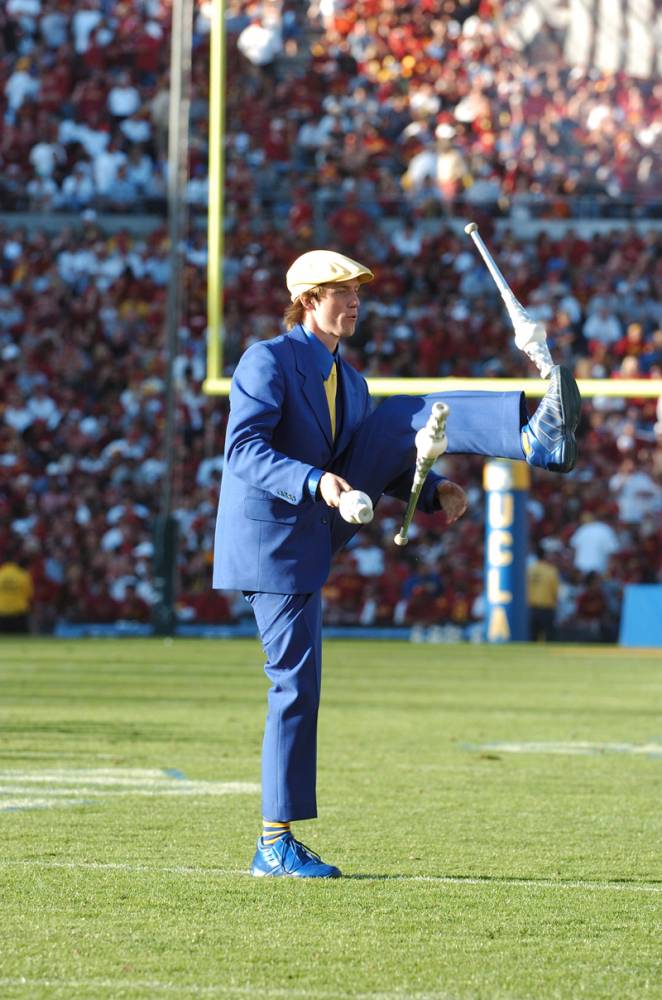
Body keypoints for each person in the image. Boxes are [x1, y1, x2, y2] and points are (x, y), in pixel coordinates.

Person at [213, 249, 581, 878]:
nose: (355, 300)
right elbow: (243, 450)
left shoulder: (350, 381)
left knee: (404, 415)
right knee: (295, 686)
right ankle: (274, 842)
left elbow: (377, 456)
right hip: (274, 539)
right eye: (341, 290)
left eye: (358, 290)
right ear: (307, 300)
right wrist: (316, 483)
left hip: (320, 518)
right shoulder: (267, 360)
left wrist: (433, 490)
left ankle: (531, 438)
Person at [527, 544, 560, 641]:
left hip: (532, 607)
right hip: (547, 607)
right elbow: (555, 591)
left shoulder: (529, 570)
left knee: (532, 637)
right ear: (545, 556)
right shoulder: (551, 571)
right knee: (549, 637)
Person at [0, 551, 34, 634]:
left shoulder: (1, 573)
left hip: (2, 613)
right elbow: (29, 595)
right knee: (22, 640)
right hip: (18, 613)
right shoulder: (22, 574)